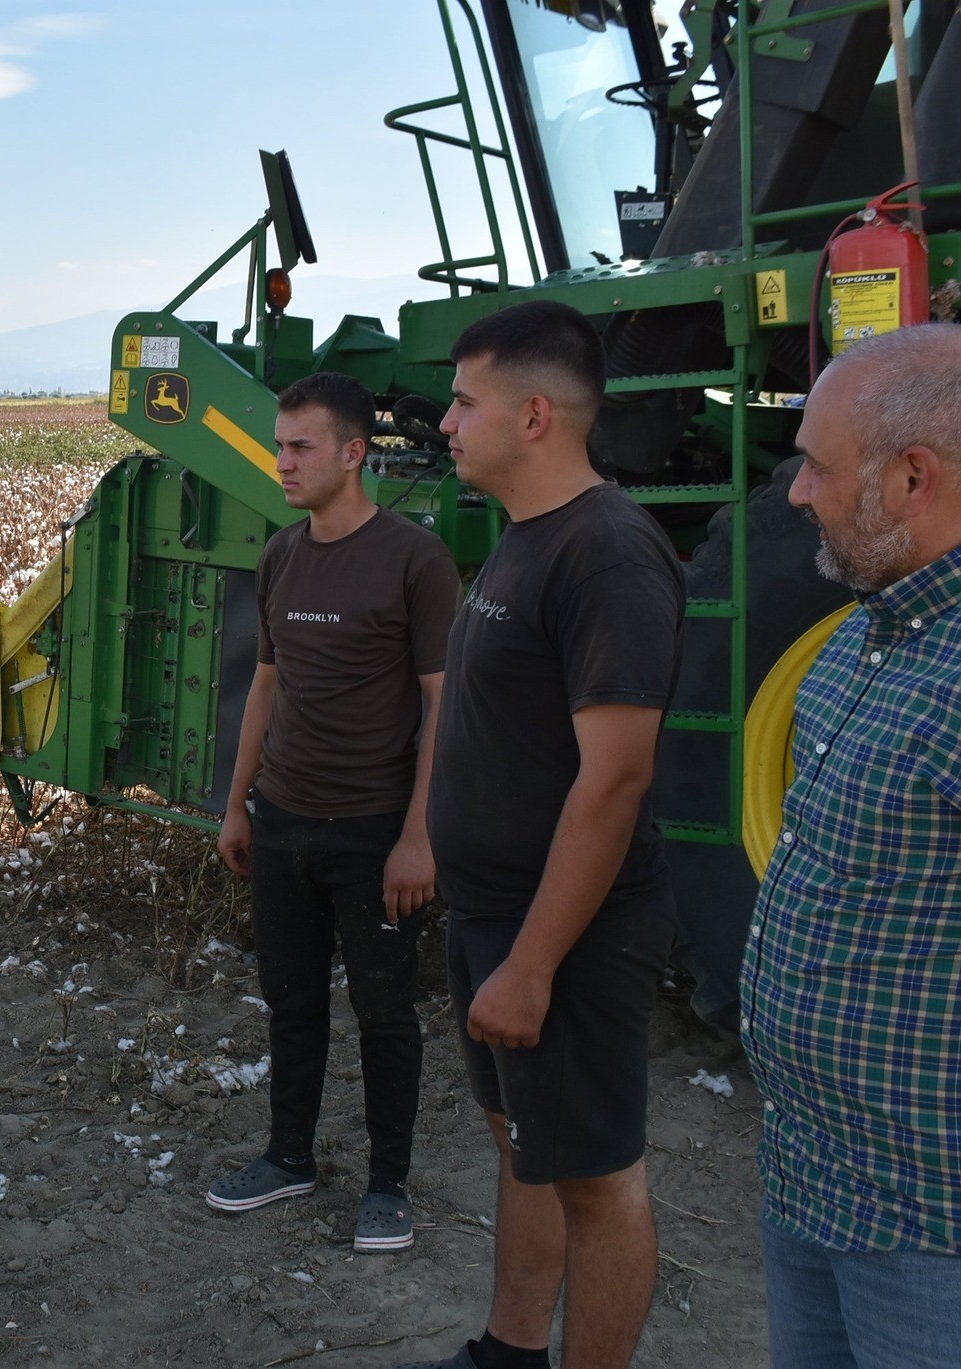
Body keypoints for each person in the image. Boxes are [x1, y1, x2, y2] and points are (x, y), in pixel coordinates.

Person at [400, 301, 684, 1369]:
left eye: (463, 401)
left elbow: (612, 782)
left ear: (531, 416)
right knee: (525, 1151)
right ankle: (508, 1353)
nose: (443, 422)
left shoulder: (606, 554)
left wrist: (530, 963)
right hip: (492, 914)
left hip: (562, 932)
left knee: (595, 1178)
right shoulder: (526, 538)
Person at [744, 321, 961, 1364]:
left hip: (937, 1232)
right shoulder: (856, 639)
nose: (795, 491)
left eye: (814, 466)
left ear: (910, 479)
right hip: (806, 1176)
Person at [209, 372, 460, 1254]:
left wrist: (419, 835)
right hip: (282, 823)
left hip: (373, 832)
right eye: (280, 445)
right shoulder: (280, 555)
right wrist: (238, 805)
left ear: (354, 453)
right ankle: (289, 1157)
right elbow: (264, 690)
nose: (282, 461)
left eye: (300, 446)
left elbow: (442, 708)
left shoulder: (414, 560)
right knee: (291, 1001)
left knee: (386, 1012)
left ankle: (388, 1183)